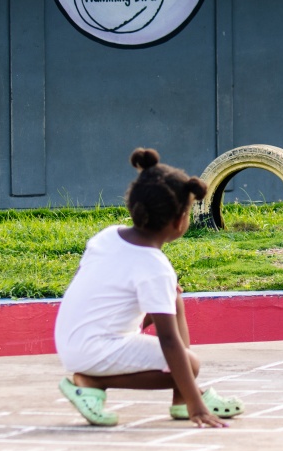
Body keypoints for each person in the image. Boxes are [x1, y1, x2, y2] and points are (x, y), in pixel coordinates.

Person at [54, 148, 243, 427]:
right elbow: (169, 341)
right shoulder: (155, 267)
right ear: (180, 220)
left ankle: (181, 399)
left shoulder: (107, 236)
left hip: (70, 340)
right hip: (95, 350)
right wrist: (198, 406)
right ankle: (91, 382)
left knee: (173, 297)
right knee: (190, 364)